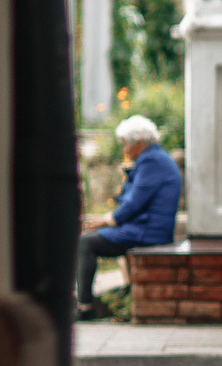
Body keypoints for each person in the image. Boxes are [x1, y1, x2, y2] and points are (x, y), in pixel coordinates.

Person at [77, 115, 181, 319]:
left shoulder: (152, 161)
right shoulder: (155, 159)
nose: (124, 149)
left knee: (86, 243)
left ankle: (85, 308)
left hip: (148, 232)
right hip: (145, 228)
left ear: (139, 143)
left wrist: (106, 220)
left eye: (125, 144)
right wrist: (107, 219)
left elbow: (134, 202)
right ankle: (90, 305)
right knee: (90, 239)